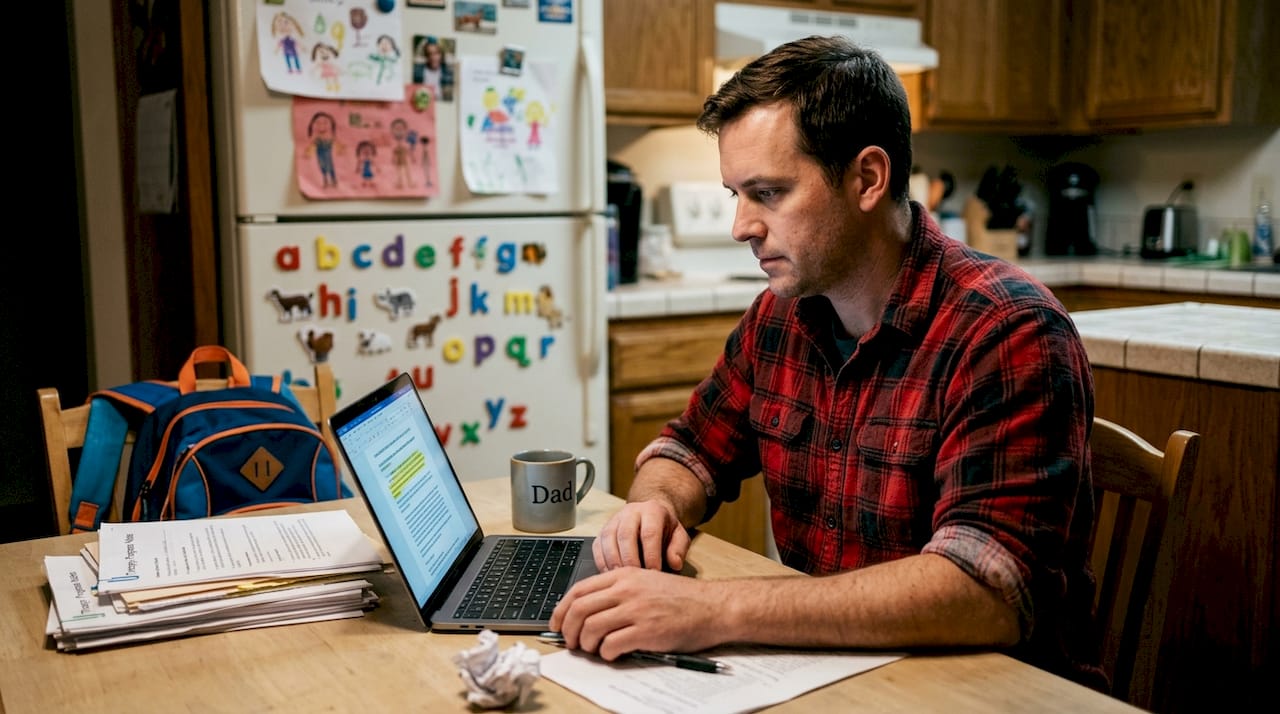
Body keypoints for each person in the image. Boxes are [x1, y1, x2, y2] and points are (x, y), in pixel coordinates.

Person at [548, 35, 1106, 690]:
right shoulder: (781, 317)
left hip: (989, 692)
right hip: (836, 674)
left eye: (769, 193)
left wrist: (714, 608)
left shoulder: (1009, 333)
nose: (742, 226)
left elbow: (982, 590)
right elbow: (688, 450)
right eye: (735, 195)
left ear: (867, 178)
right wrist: (656, 507)